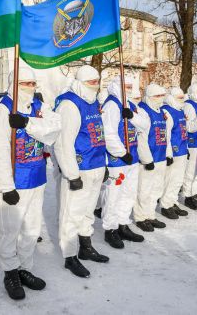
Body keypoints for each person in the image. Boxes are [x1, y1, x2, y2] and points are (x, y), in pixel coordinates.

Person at [0, 66, 61, 300]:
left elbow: (54, 128)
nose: (29, 88)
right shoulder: (2, 110)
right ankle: (10, 272)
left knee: (31, 228)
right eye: (24, 84)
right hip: (14, 184)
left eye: (32, 84)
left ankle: (24, 267)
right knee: (10, 231)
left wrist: (27, 124)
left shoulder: (37, 107)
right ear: (13, 84)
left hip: (36, 178)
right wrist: (5, 187)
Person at [54, 65, 109, 279]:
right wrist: (71, 173)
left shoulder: (93, 102)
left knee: (87, 211)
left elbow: (98, 134)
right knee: (71, 213)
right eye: (90, 82)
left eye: (97, 82)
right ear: (80, 82)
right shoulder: (70, 104)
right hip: (79, 168)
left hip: (95, 165)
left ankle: (86, 246)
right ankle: (70, 256)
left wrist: (102, 165)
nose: (94, 86)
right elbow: (63, 143)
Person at [99, 75, 148, 249]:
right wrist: (121, 152)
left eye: (129, 86)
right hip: (117, 160)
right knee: (113, 195)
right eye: (124, 86)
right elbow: (108, 133)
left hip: (132, 157)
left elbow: (145, 125)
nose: (127, 89)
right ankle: (110, 229)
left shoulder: (130, 105)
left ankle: (122, 224)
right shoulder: (112, 105)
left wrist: (132, 117)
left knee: (128, 193)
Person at [132, 83, 171, 231]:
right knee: (144, 190)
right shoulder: (143, 110)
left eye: (162, 96)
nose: (160, 99)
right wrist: (147, 159)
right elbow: (141, 138)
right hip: (149, 158)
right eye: (157, 96)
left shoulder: (160, 111)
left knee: (156, 189)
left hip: (160, 156)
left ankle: (150, 215)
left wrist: (167, 153)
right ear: (149, 97)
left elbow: (165, 135)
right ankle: (141, 217)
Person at [159, 87, 190, 219]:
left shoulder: (180, 111)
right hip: (174, 151)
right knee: (170, 180)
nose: (181, 100)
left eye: (182, 97)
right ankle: (166, 205)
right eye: (179, 97)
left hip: (182, 150)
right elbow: (166, 134)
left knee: (177, 181)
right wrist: (168, 153)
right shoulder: (167, 111)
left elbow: (186, 130)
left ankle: (172, 201)